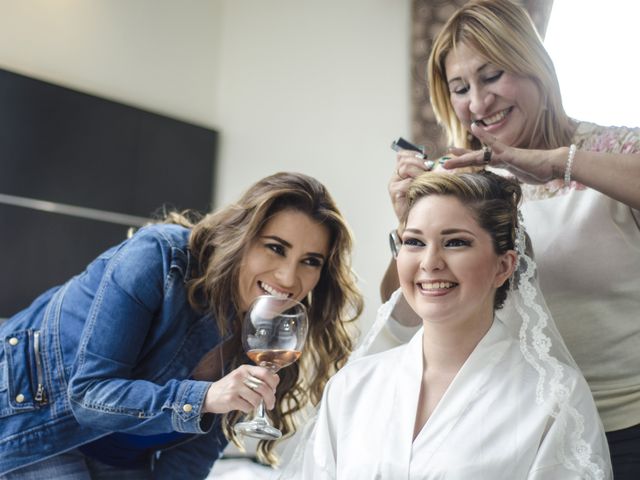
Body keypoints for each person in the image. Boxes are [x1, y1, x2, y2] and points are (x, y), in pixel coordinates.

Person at [382, 1, 640, 477]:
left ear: (533, 65)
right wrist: (408, 229)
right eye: (461, 88)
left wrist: (554, 162)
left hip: (627, 429)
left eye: (492, 75)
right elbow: (407, 308)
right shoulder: (471, 186)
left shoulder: (617, 154)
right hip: (515, 429)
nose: (478, 103)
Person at [0, 171, 363, 479]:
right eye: (275, 247)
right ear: (242, 237)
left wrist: (212, 404)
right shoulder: (159, 258)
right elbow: (88, 396)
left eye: (310, 261)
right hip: (35, 425)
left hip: (121, 457)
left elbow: (193, 454)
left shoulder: (275, 330)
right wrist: (205, 397)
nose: (288, 277)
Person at [285, 170, 611, 479]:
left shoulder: (554, 398)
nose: (430, 262)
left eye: (455, 242)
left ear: (503, 266)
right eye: (414, 242)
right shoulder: (352, 387)